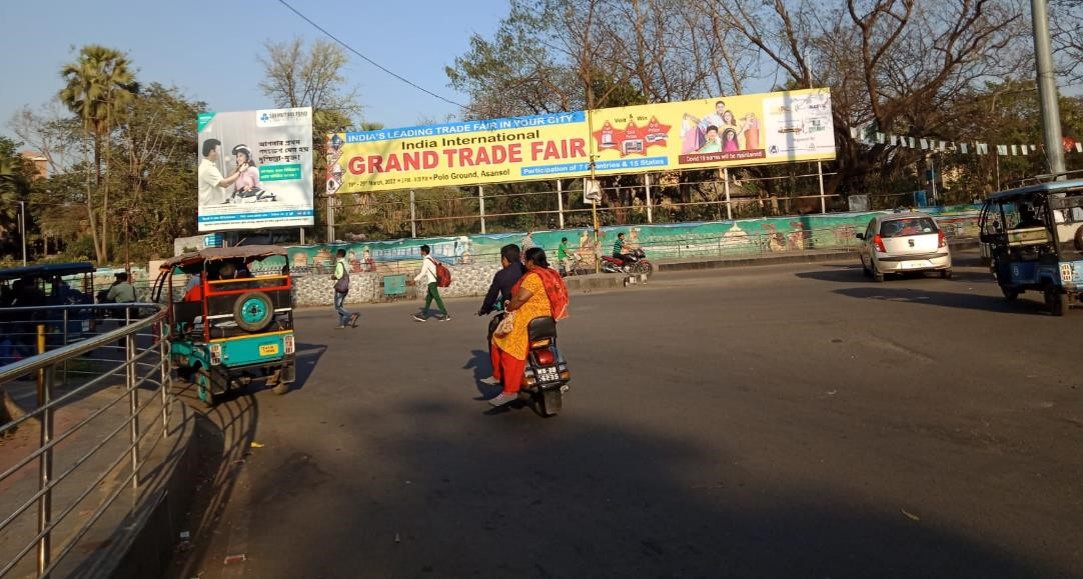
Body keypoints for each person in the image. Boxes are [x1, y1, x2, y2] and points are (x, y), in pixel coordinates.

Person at [487, 247, 567, 407]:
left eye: (526, 260)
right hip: (547, 318)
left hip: (529, 317)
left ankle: (508, 389)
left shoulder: (534, 277)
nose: (525, 263)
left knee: (503, 341)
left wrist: (509, 308)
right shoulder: (550, 273)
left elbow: (520, 299)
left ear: (531, 261)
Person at [477, 244, 526, 386]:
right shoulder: (528, 270)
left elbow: (491, 296)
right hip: (535, 314)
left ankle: (497, 375)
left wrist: (484, 309)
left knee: (495, 337)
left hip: (513, 314)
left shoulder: (501, 275)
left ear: (504, 258)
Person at [198, 139, 243, 206]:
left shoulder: (210, 166)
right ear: (212, 151)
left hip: (215, 205)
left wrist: (236, 170)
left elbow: (224, 181)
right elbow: (225, 184)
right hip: (210, 208)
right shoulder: (207, 168)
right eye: (218, 150)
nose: (220, 153)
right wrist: (240, 172)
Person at [412, 244, 450, 322]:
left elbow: (423, 273)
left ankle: (445, 314)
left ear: (424, 252)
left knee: (437, 298)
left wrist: (415, 279)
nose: (420, 252)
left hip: (432, 282)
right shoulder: (430, 258)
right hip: (433, 281)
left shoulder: (426, 260)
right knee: (428, 299)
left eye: (421, 251)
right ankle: (424, 315)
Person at [332, 249, 359, 329]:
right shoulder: (346, 263)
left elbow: (339, 275)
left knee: (337, 307)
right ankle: (342, 324)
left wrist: (333, 276)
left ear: (339, 255)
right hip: (345, 287)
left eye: (337, 254)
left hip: (340, 287)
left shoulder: (340, 263)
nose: (336, 255)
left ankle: (351, 316)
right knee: (340, 306)